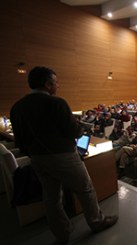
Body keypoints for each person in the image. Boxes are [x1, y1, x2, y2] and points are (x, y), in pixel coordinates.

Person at [10, 67, 118, 244]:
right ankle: (96, 221)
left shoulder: (17, 107)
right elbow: (74, 132)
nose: (57, 85)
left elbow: (19, 140)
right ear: (47, 84)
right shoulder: (56, 103)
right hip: (63, 156)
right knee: (85, 189)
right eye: (55, 82)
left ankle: (62, 233)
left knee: (51, 197)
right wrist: (81, 127)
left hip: (37, 158)